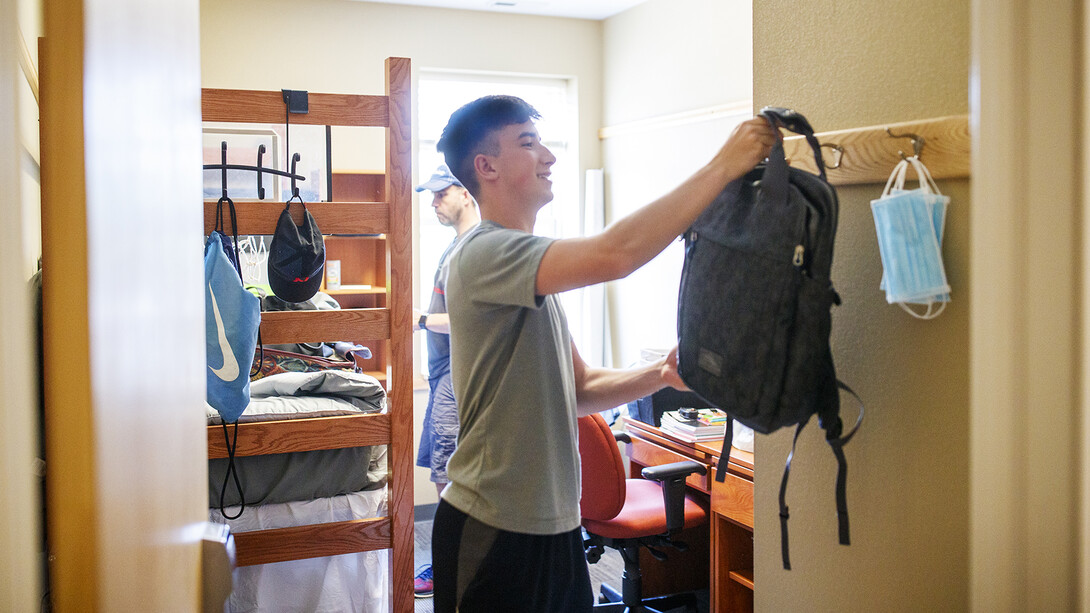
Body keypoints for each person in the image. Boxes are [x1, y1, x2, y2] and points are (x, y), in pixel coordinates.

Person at [431, 94, 777, 612]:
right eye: (529, 143)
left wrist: (660, 373)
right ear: (487, 166)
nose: (548, 156)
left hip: (557, 526)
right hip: (494, 527)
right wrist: (724, 167)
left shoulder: (528, 275)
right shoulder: (483, 252)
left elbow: (582, 388)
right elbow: (617, 253)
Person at [411, 164, 481, 599]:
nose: (434, 202)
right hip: (443, 377)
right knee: (443, 475)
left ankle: (452, 568)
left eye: (441, 194)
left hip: (457, 378)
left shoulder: (472, 249)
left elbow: (468, 321)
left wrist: (417, 320)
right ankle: (449, 562)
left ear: (466, 192)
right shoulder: (454, 247)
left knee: (448, 479)